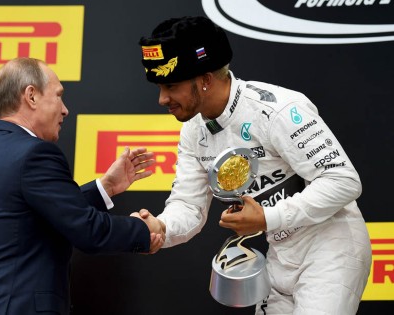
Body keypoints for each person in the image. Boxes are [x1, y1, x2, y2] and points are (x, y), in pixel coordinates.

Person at [137, 16, 372, 314]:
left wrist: (267, 218)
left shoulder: (276, 109)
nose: (162, 98)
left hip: (330, 248)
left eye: (171, 85)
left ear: (206, 79)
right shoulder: (193, 133)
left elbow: (343, 181)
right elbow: (189, 207)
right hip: (278, 254)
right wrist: (160, 226)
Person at [0, 57, 165, 315]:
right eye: (58, 96)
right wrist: (143, 231)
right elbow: (87, 230)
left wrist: (105, 187)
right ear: (31, 96)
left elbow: (39, 216)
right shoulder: (34, 154)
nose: (65, 109)